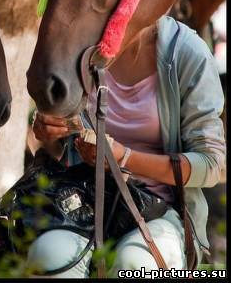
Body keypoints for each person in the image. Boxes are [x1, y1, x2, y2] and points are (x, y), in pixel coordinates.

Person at [28, 15, 226, 277]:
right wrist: (47, 132)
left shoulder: (186, 51)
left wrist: (123, 157)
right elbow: (50, 151)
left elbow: (211, 165)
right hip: (83, 203)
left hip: (162, 213)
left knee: (134, 265)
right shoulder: (81, 45)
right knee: (47, 256)